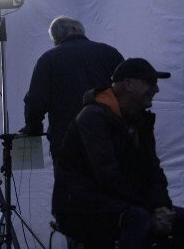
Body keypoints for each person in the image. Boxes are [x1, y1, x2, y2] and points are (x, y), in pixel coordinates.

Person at [53, 57, 184, 249]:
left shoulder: (141, 121)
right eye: (150, 82)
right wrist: (149, 211)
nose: (156, 89)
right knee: (138, 219)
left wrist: (162, 207)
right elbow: (107, 175)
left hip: (119, 201)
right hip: (79, 206)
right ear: (128, 84)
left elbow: (153, 170)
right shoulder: (93, 117)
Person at [22, 16, 124, 159]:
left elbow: (36, 101)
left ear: (56, 38)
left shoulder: (49, 59)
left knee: (71, 180)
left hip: (67, 140)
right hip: (108, 136)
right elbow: (125, 93)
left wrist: (33, 128)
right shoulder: (110, 53)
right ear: (78, 30)